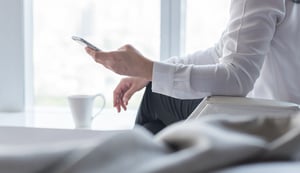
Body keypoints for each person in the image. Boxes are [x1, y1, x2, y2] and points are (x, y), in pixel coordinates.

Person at [86, 0, 300, 134]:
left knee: (156, 95)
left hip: (274, 123)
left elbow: (236, 79)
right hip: (287, 118)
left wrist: (148, 70)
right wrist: (151, 70)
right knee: (155, 130)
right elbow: (220, 52)